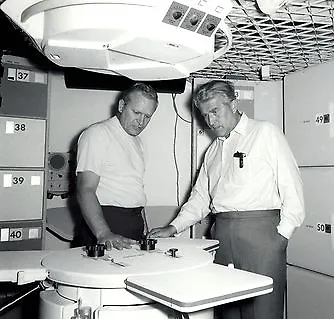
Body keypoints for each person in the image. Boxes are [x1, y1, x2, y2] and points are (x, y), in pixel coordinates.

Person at [147, 80, 305, 319]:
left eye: (215, 112)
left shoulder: (264, 133)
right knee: (227, 311)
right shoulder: (212, 151)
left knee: (263, 312)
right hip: (221, 235)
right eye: (205, 115)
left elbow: (293, 191)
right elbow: (200, 199)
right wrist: (173, 227)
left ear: (233, 104)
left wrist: (279, 238)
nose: (211, 121)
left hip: (262, 237)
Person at [76, 82, 159, 250]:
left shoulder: (137, 142)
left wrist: (145, 230)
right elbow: (85, 189)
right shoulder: (98, 133)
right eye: (136, 112)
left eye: (147, 116)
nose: (141, 121)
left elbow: (134, 189)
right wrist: (103, 233)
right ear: (121, 105)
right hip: (105, 223)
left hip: (134, 223)